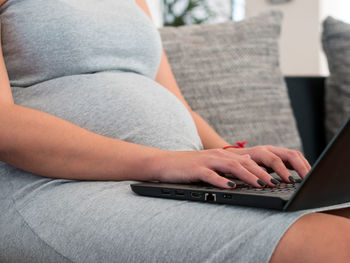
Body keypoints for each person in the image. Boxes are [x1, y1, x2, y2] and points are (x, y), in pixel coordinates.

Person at [0, 0, 349, 262]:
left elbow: (175, 102)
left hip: (168, 183)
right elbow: (5, 125)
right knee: (335, 243)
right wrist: (166, 162)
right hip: (52, 187)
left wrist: (231, 156)